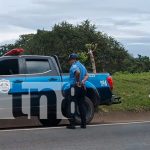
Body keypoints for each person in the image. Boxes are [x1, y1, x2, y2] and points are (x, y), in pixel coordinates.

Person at [66, 53, 89, 129]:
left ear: (73, 60)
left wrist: (78, 81)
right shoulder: (82, 66)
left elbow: (77, 72)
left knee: (72, 105)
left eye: (69, 60)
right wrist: (83, 82)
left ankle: (72, 124)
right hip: (82, 88)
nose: (69, 62)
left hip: (75, 87)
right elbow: (87, 75)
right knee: (81, 105)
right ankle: (83, 124)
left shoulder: (74, 66)